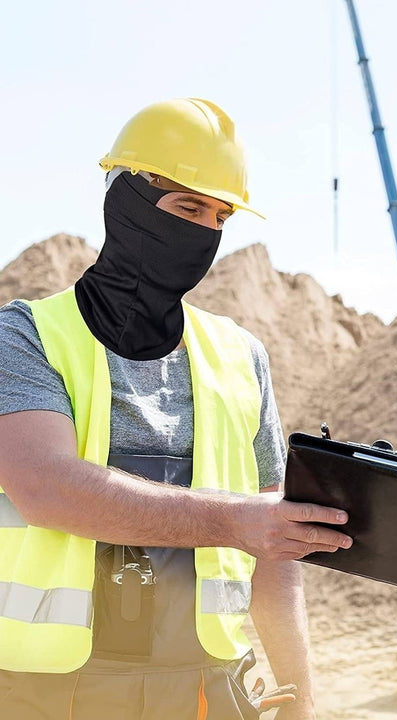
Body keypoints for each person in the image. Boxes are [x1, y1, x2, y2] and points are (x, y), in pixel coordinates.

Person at [0, 97, 353, 719]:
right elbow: (45, 487)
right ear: (125, 202)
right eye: (188, 207)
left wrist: (298, 692)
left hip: (205, 692)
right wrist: (235, 521)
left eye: (220, 216)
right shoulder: (24, 337)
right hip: (48, 694)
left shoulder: (242, 357)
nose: (204, 233)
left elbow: (274, 539)